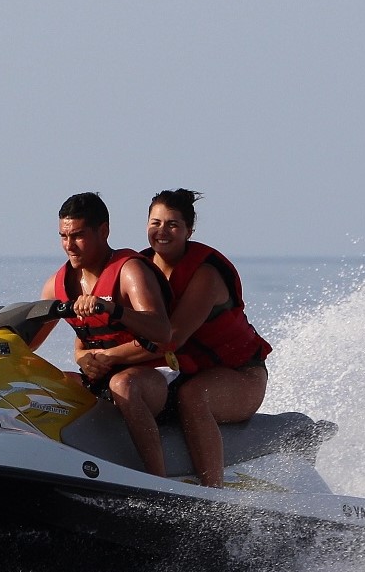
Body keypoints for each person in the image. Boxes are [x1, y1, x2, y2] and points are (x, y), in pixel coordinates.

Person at [79, 189, 271, 486]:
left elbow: (171, 340)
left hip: (240, 376)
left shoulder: (204, 275)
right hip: (179, 373)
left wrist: (107, 358)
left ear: (189, 230)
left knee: (193, 397)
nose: (162, 232)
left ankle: (212, 495)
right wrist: (86, 359)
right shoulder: (137, 270)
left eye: (172, 224)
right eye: (155, 223)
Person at [35, 192, 173, 475]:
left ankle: (158, 482)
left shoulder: (129, 271)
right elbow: (29, 341)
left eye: (78, 236)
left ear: (104, 230)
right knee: (42, 387)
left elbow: (162, 333)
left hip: (155, 380)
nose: (69, 246)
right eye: (63, 236)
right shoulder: (56, 285)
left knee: (123, 384)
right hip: (98, 379)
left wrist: (113, 310)